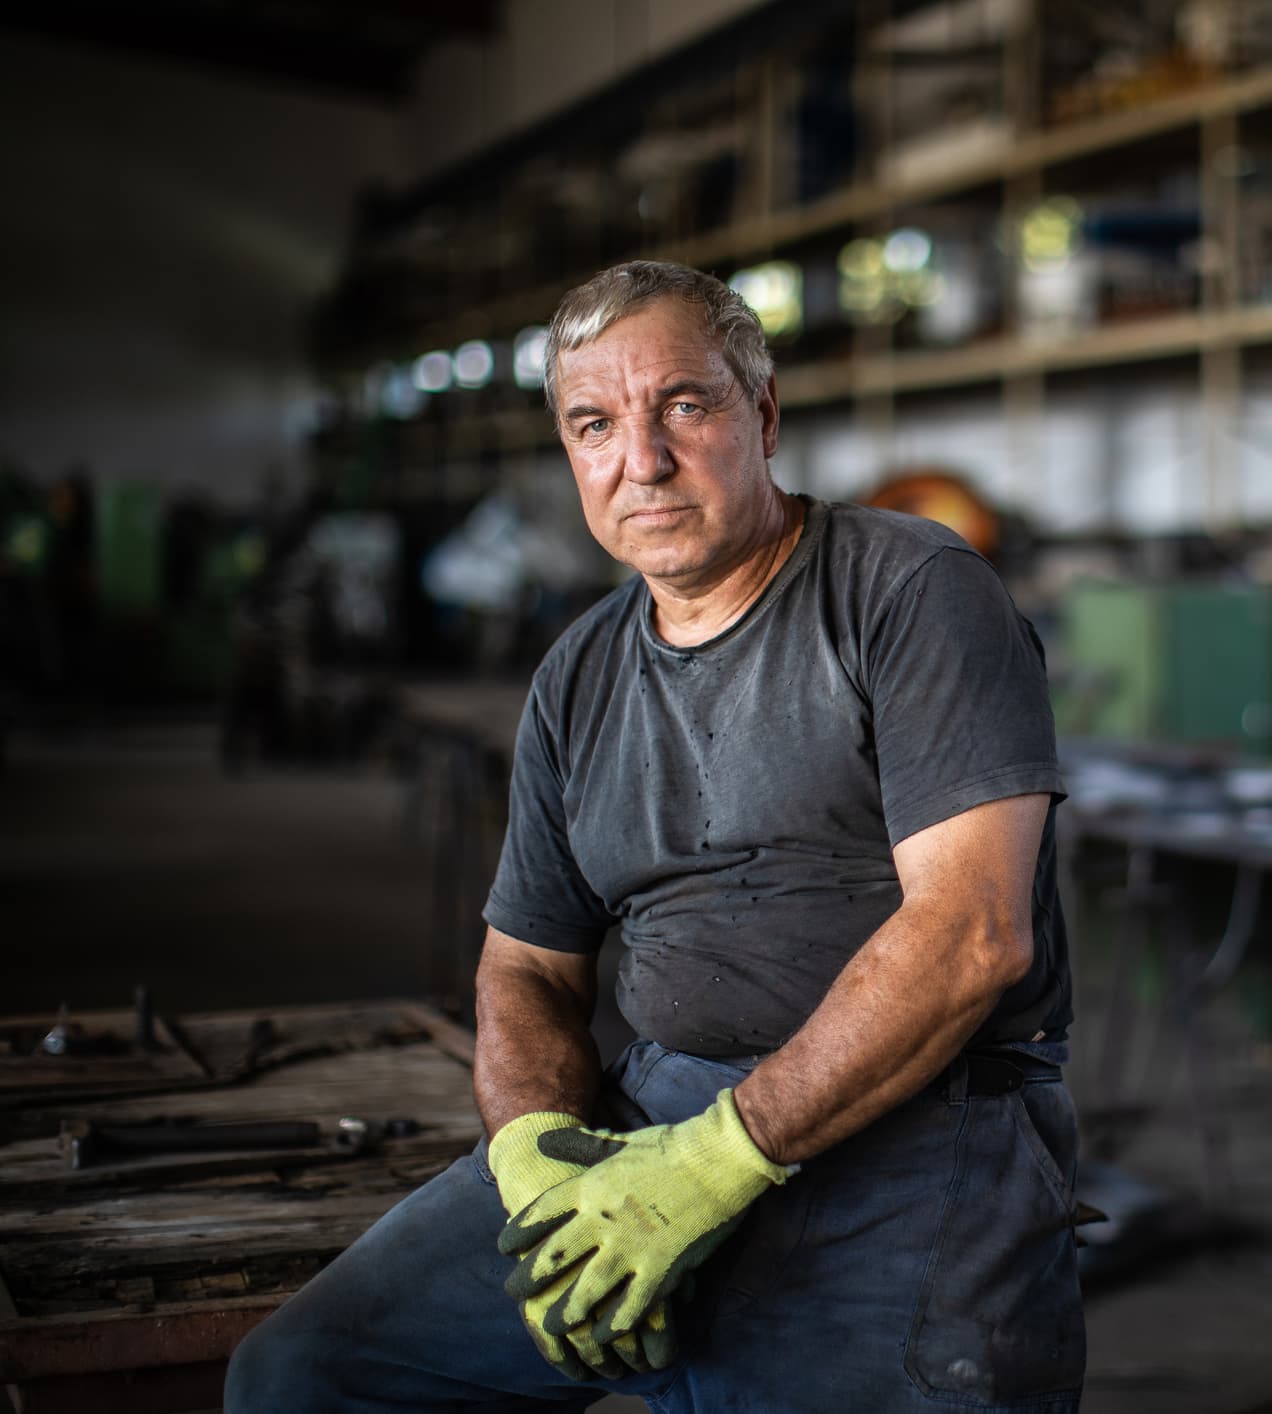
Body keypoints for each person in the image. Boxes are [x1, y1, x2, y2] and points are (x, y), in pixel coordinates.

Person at [225, 261, 1083, 1412]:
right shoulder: (578, 671)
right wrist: (535, 1156)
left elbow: (973, 933)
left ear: (763, 414)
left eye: (685, 404)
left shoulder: (910, 589)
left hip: (917, 1127)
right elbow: (526, 960)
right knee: (303, 1377)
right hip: (654, 1111)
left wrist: (716, 1165)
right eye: (595, 423)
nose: (642, 460)